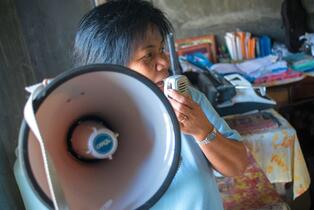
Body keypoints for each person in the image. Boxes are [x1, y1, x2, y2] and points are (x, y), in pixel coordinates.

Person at [73, 0, 248, 209]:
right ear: (110, 68)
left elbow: (237, 165)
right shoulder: (92, 130)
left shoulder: (185, 99)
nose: (164, 62)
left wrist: (203, 131)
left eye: (162, 49)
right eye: (148, 55)